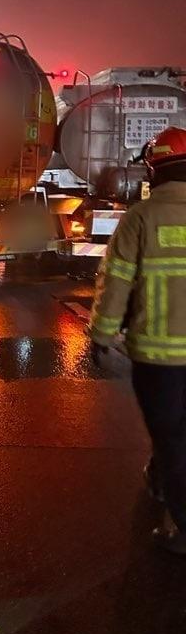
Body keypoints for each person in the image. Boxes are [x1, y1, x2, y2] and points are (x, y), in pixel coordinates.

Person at [90, 126, 186, 555]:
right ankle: (165, 482)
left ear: (155, 169)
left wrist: (101, 334)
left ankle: (180, 524)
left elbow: (116, 284)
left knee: (171, 437)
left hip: (157, 359)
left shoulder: (140, 219)